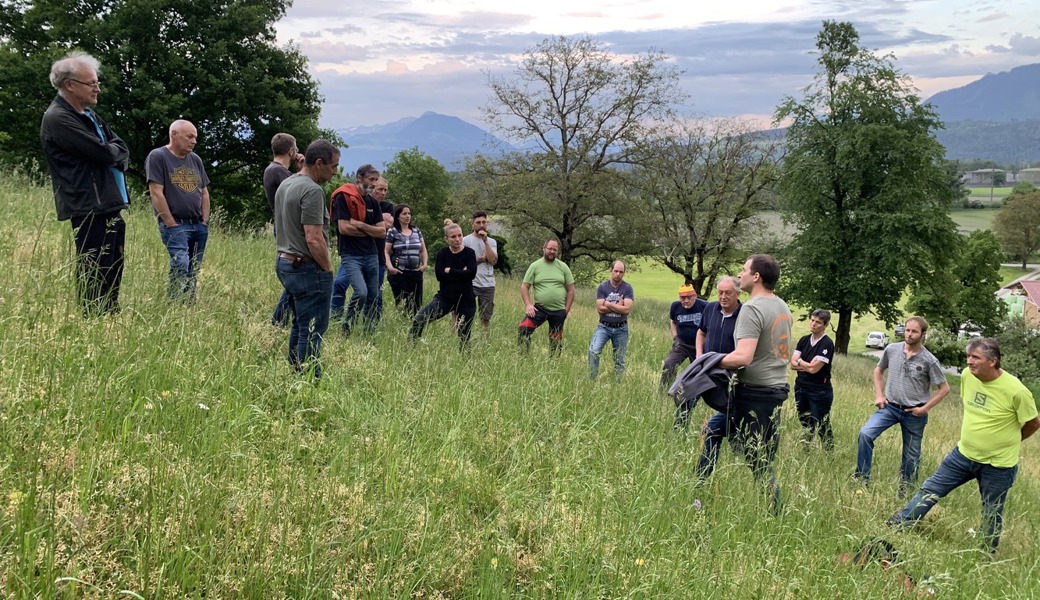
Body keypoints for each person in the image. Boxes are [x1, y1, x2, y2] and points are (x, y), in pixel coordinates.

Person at [888, 338, 1039, 553]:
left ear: (993, 361)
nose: (969, 362)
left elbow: (1033, 423)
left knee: (992, 510)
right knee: (930, 489)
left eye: (975, 357)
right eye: (968, 356)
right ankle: (898, 525)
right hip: (963, 454)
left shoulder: (1017, 391)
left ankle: (985, 554)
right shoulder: (968, 376)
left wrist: (1011, 440)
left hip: (998, 465)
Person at [40, 52, 129, 315]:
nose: (97, 88)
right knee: (95, 267)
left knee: (114, 264)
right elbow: (103, 152)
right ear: (69, 84)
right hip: (88, 205)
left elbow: (120, 147)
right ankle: (93, 319)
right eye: (91, 83)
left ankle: (110, 316)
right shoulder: (58, 118)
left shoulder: (89, 115)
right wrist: (111, 153)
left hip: (109, 203)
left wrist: (112, 153)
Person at [718, 254, 793, 513]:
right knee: (716, 430)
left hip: (754, 393)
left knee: (758, 458)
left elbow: (744, 357)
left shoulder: (751, 308)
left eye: (743, 270)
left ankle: (776, 510)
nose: (740, 274)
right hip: (776, 389)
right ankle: (702, 484)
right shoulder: (782, 306)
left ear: (756, 276)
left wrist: (710, 361)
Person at [854, 316, 950, 497]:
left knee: (911, 456)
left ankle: (905, 493)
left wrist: (925, 409)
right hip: (890, 407)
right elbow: (878, 370)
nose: (909, 334)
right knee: (865, 434)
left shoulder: (929, 360)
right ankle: (862, 479)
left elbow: (944, 389)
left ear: (923, 334)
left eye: (914, 331)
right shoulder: (892, 349)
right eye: (907, 330)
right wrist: (879, 394)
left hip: (914, 413)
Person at [273, 140, 339, 378]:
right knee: (313, 329)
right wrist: (328, 268)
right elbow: (313, 238)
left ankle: (295, 372)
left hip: (285, 261)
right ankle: (310, 379)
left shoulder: (287, 183)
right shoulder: (312, 190)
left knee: (300, 325)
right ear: (318, 163)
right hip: (306, 266)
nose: (336, 172)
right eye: (333, 166)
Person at [145, 119, 211, 302]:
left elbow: (204, 192)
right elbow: (156, 193)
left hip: (197, 223)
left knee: (194, 267)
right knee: (181, 262)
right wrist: (170, 223)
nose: (194, 141)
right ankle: (173, 302)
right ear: (174, 134)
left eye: (195, 137)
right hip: (176, 224)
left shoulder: (195, 159)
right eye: (189, 136)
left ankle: (188, 303)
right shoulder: (158, 157)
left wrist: (204, 220)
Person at [689, 276, 742, 479]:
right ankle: (680, 425)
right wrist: (700, 356)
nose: (723, 296)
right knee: (686, 395)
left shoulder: (744, 315)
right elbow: (701, 333)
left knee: (727, 415)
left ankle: (737, 449)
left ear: (737, 294)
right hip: (707, 369)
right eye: (720, 292)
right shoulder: (710, 309)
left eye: (728, 292)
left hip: (731, 376)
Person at [330, 164, 386, 333]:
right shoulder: (344, 197)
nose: (374, 184)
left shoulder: (373, 203)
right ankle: (347, 326)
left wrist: (360, 225)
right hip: (351, 254)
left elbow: (382, 232)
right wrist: (371, 231)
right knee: (361, 292)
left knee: (373, 295)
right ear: (359, 178)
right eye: (371, 179)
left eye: (376, 180)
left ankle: (368, 331)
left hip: (371, 254)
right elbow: (344, 228)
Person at [409, 220, 477, 349]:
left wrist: (450, 270)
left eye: (460, 235)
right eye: (453, 237)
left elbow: (471, 274)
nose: (457, 239)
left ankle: (466, 362)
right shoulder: (442, 254)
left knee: (464, 336)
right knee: (419, 319)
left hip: (466, 299)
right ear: (446, 239)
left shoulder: (469, 253)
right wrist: (461, 273)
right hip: (445, 298)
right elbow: (440, 276)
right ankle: (411, 347)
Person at [264, 132, 303, 326]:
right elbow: (300, 193)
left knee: (295, 280)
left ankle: (282, 320)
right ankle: (278, 321)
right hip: (288, 230)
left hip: (284, 228)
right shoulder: (278, 172)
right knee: (295, 279)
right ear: (291, 151)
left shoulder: (275, 171)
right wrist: (304, 170)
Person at [518, 239, 575, 357]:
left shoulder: (563, 267)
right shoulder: (535, 266)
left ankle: (553, 364)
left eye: (555, 249)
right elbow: (524, 287)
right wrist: (528, 305)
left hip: (558, 311)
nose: (552, 251)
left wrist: (566, 310)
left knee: (555, 341)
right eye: (550, 248)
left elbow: (571, 290)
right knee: (523, 329)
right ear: (544, 249)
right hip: (540, 309)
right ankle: (524, 357)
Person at [790, 308, 836, 450]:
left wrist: (802, 363)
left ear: (825, 325)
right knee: (805, 422)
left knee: (822, 424)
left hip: (819, 390)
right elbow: (792, 364)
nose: (814, 324)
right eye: (812, 320)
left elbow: (814, 369)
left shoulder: (826, 344)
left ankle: (829, 453)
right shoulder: (804, 340)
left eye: (818, 322)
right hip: (801, 387)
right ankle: (806, 450)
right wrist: (806, 364)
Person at [588, 261, 634, 379]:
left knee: (620, 359)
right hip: (604, 326)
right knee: (593, 351)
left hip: (621, 328)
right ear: (611, 270)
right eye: (616, 271)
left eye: (621, 272)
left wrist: (608, 304)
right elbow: (600, 309)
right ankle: (592, 379)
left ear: (624, 273)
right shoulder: (603, 287)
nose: (618, 274)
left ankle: (618, 385)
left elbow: (626, 310)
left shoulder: (627, 288)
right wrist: (618, 306)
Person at [659, 283, 708, 390]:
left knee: (699, 369)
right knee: (669, 364)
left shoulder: (704, 306)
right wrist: (675, 337)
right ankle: (666, 389)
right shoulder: (675, 306)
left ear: (695, 296)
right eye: (682, 298)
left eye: (688, 297)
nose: (685, 300)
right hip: (682, 344)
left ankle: (697, 392)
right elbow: (672, 322)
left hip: (699, 345)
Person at [384, 204, 428, 315]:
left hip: (415, 271)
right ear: (398, 216)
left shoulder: (416, 231)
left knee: (417, 303)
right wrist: (390, 267)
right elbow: (386, 251)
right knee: (402, 302)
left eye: (409, 213)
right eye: (404, 214)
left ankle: (414, 326)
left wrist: (424, 264)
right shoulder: (393, 231)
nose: (407, 216)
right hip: (399, 272)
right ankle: (402, 324)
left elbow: (423, 249)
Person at [462, 211, 498, 329]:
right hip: (469, 282)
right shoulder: (465, 241)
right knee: (462, 314)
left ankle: (483, 343)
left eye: (484, 222)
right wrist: (481, 259)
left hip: (487, 284)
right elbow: (462, 264)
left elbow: (493, 261)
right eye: (478, 222)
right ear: (472, 223)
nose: (481, 225)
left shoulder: (491, 242)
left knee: (485, 318)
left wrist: (485, 241)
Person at [370, 177, 394, 322]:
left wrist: (369, 221)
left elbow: (388, 224)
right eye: (380, 189)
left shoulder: (388, 206)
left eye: (385, 190)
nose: (383, 193)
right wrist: (379, 219)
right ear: (372, 188)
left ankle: (375, 319)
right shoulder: (364, 202)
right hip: (359, 252)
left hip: (379, 254)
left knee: (377, 290)